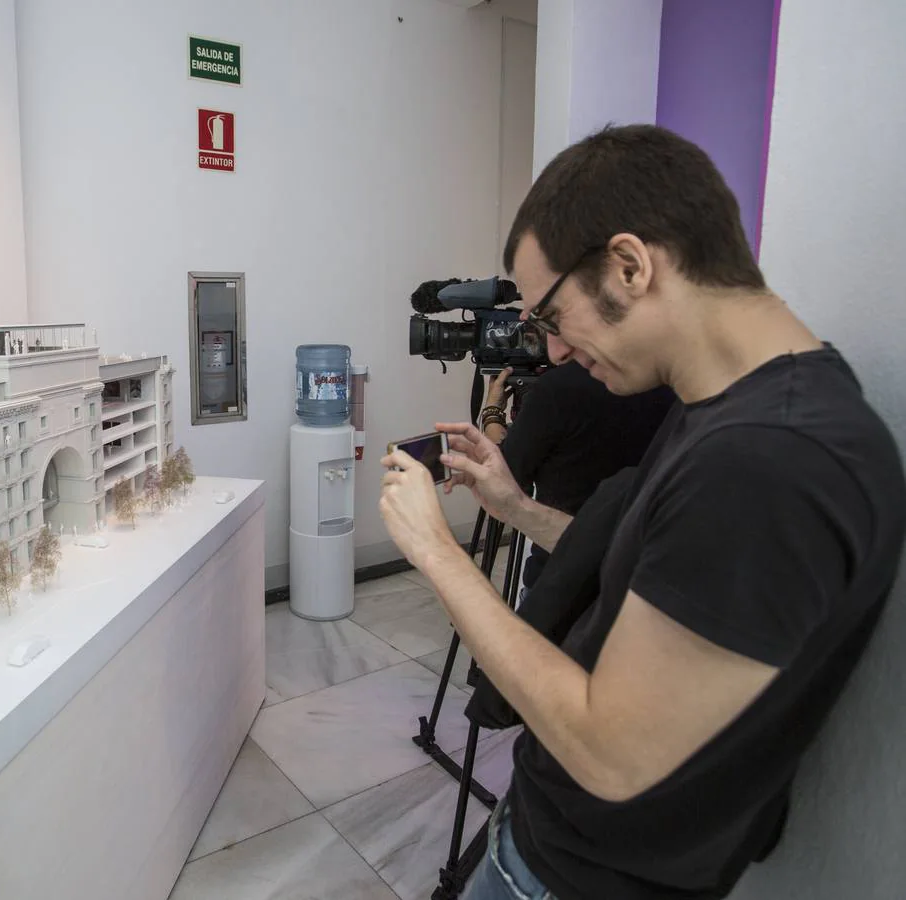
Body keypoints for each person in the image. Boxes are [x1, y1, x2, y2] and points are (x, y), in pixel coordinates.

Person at [378, 125, 906, 900]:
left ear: (628, 266)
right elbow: (660, 571)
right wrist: (515, 507)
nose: (552, 354)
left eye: (552, 319)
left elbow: (612, 754)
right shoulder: (728, 410)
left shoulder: (769, 458)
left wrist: (438, 553)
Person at [474, 360, 674, 592]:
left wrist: (491, 414)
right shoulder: (670, 374)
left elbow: (505, 476)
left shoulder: (559, 389)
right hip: (643, 571)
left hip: (560, 576)